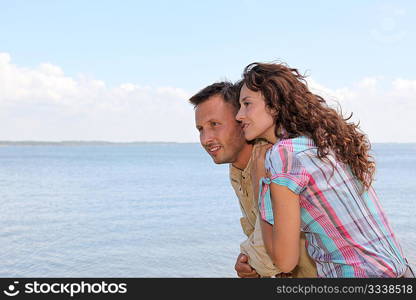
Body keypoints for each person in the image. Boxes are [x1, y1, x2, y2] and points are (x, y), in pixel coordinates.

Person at [235, 62, 414, 277]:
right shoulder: (323, 142)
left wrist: (259, 181)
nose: (239, 115)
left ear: (274, 105)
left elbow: (285, 261)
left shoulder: (283, 154)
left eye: (247, 104)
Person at [189, 82, 317, 277]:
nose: (206, 139)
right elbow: (255, 233)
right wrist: (248, 261)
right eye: (201, 129)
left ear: (242, 120)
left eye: (215, 125)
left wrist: (250, 261)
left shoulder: (271, 161)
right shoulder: (237, 168)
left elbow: (267, 257)